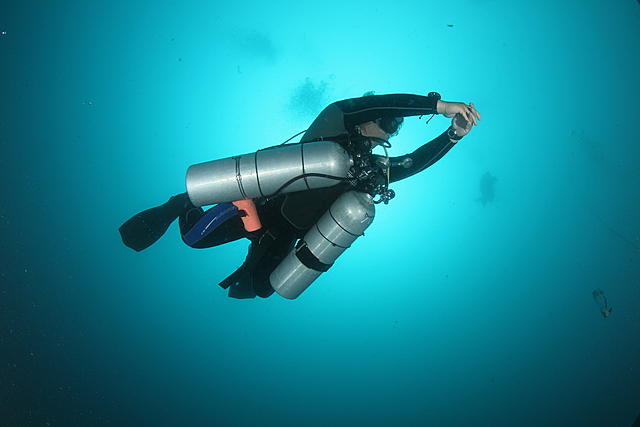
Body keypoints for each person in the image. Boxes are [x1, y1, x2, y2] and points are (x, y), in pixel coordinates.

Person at [119, 92, 481, 299]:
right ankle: (180, 203)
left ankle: (250, 245)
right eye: (387, 122)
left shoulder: (369, 168)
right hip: (259, 204)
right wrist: (439, 107)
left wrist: (453, 136)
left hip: (286, 233)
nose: (389, 132)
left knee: (261, 289)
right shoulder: (333, 123)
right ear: (368, 118)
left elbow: (412, 164)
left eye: (394, 128)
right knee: (193, 239)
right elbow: (380, 104)